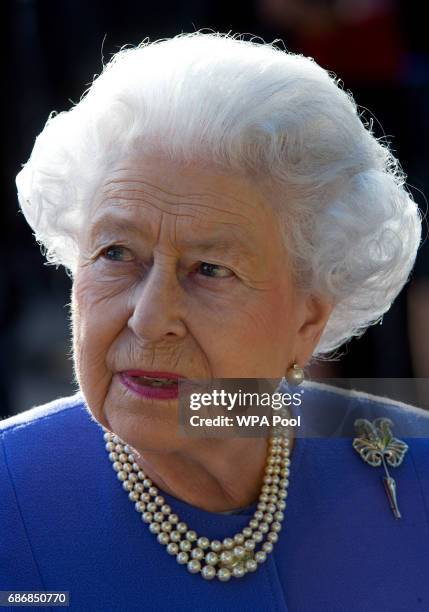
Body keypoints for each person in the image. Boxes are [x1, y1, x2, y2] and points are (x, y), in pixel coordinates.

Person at [1, 32, 428, 611]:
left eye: (209, 269)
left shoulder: (411, 469)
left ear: (309, 317)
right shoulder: (13, 493)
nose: (150, 320)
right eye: (116, 254)